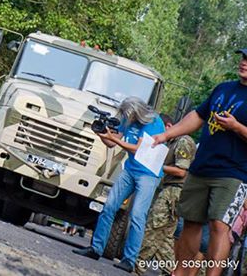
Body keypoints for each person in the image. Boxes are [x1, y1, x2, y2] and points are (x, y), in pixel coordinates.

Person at [151, 49, 247, 276]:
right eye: (243, 58)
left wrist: (237, 127)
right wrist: (166, 135)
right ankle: (180, 273)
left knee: (218, 226)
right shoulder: (223, 88)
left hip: (234, 173)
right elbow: (197, 116)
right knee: (190, 223)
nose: (244, 63)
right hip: (201, 167)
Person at [73, 97, 166, 273]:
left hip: (148, 174)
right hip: (130, 169)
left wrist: (114, 140)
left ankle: (129, 260)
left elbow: (137, 148)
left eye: (128, 116)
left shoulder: (154, 122)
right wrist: (102, 134)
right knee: (109, 206)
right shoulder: (127, 118)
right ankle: (96, 248)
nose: (126, 119)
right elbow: (112, 141)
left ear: (137, 113)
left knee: (138, 215)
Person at [136, 114, 197, 276]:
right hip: (170, 188)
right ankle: (171, 271)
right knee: (165, 237)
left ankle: (138, 269)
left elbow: (181, 171)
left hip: (175, 191)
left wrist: (158, 164)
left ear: (170, 126)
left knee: (153, 228)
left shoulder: (183, 142)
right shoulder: (173, 141)